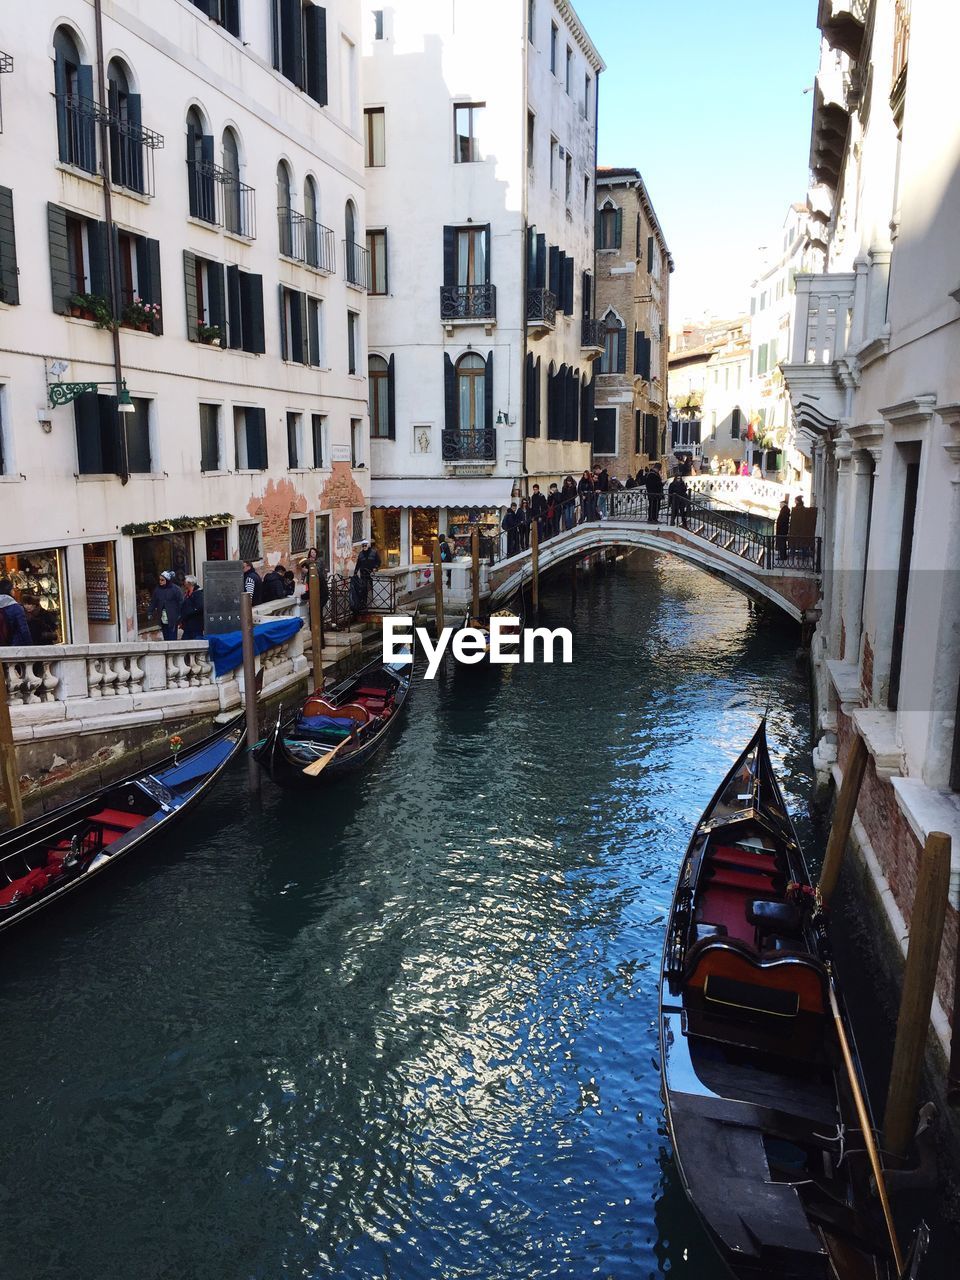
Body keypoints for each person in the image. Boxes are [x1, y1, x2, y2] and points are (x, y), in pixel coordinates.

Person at [149, 570, 184, 641]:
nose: (160, 582)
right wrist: (150, 612)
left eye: (162, 580)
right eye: (159, 580)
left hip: (173, 617)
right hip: (163, 617)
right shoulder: (157, 590)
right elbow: (153, 602)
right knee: (166, 636)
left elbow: (181, 603)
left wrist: (180, 616)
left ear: (167, 580)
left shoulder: (176, 589)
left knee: (172, 637)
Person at [0, 578, 32, 645]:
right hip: (14, 646)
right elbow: (24, 629)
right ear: (9, 591)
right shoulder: (15, 607)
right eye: (12, 589)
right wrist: (29, 646)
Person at [179, 576, 205, 640]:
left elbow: (200, 607)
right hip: (187, 625)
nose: (184, 583)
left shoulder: (198, 593)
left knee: (196, 641)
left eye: (185, 582)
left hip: (196, 625)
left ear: (189, 583)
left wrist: (189, 612)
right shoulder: (187, 594)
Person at [775, 497, 791, 563]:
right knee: (782, 543)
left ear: (783, 504)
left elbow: (782, 520)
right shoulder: (785, 509)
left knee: (782, 543)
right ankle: (783, 555)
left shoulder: (785, 510)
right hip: (782, 529)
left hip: (782, 530)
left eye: (780, 504)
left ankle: (782, 556)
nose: (780, 505)